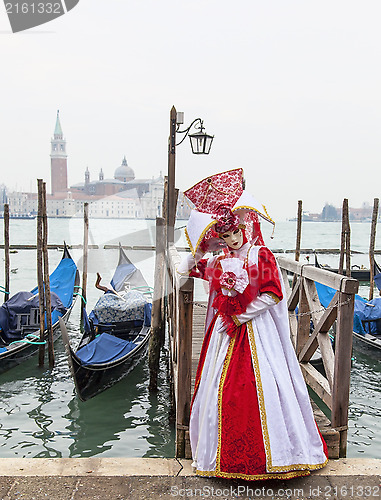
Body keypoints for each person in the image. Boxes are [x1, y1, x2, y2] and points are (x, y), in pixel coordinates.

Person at [178, 169, 328, 481]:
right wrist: (197, 242)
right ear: (220, 237)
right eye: (226, 236)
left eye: (236, 233)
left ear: (245, 227)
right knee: (221, 389)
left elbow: (273, 294)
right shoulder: (220, 259)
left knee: (263, 387)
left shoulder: (261, 254)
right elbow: (186, 269)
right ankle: (220, 457)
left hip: (259, 335)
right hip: (225, 337)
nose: (233, 239)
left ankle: (277, 455)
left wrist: (238, 315)